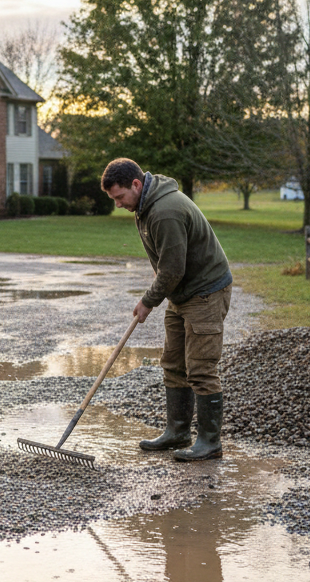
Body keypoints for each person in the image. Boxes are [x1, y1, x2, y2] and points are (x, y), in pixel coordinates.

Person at [101, 158, 232, 461]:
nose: (119, 204)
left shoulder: (164, 211)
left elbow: (172, 269)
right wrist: (161, 295)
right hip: (182, 293)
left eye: (120, 197)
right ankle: (178, 432)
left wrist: (148, 300)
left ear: (136, 184)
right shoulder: (145, 205)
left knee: (201, 368)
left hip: (205, 292)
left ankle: (210, 443)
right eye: (114, 199)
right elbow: (168, 266)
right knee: (173, 363)